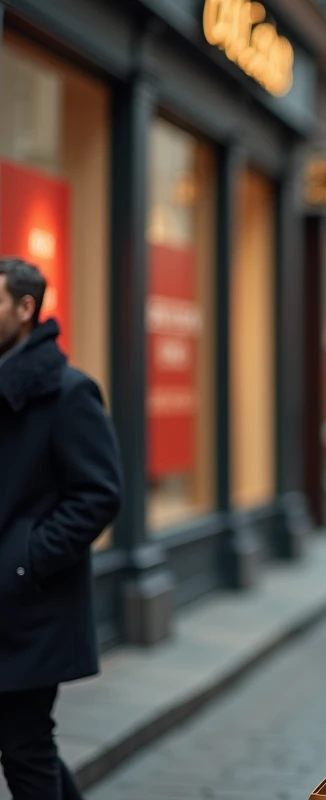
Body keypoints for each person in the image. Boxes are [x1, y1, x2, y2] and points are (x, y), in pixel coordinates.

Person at [0, 258, 122, 800]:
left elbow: (99, 495)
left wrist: (24, 559)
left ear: (25, 309)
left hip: (30, 606)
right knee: (27, 746)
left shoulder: (68, 392)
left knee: (25, 746)